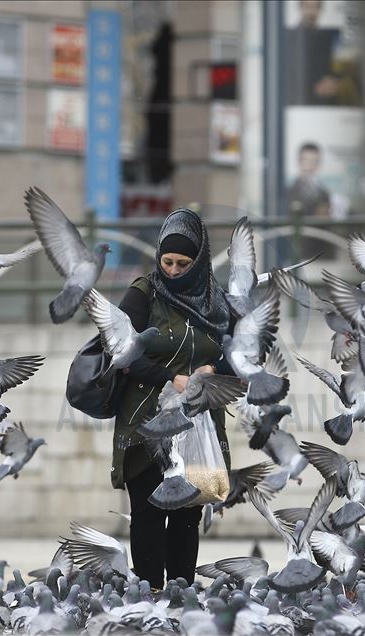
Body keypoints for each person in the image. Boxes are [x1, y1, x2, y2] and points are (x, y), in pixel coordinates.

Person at [111, 208, 234, 589]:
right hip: (145, 420)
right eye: (168, 261)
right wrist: (172, 377)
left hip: (199, 425)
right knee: (147, 512)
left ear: (198, 261)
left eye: (184, 262)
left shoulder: (217, 300)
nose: (176, 270)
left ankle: (180, 598)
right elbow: (124, 354)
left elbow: (245, 354)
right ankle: (148, 595)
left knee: (186, 514)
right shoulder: (142, 294)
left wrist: (214, 371)